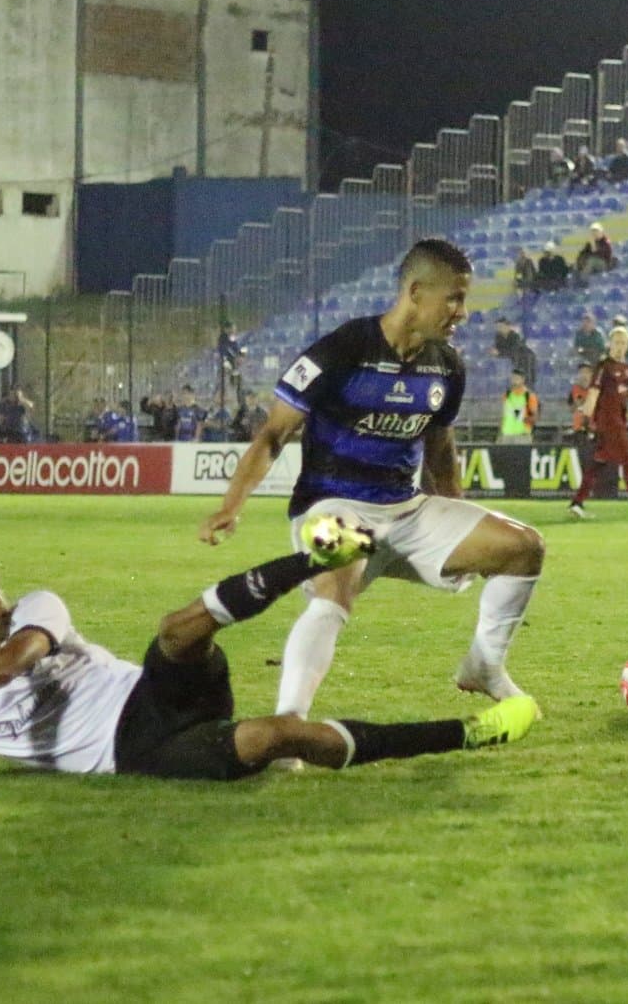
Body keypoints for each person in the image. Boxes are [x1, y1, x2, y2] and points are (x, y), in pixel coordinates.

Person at [0, 524, 538, 779]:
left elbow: (22, 656)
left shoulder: (37, 610)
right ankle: (470, 734)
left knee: (179, 627)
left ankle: (314, 560)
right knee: (284, 733)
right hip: (137, 748)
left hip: (155, 692)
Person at [197, 238, 546, 729]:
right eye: (454, 298)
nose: (462, 313)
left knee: (524, 547)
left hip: (406, 510)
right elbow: (274, 433)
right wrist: (231, 504)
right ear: (416, 292)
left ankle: (484, 666)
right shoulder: (342, 350)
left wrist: (459, 521)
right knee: (336, 583)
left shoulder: (446, 366)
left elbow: (440, 451)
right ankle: (288, 726)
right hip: (330, 508)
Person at [568, 327, 628, 520]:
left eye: (623, 343)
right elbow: (594, 391)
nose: (620, 346)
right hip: (609, 423)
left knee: (598, 463)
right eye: (616, 342)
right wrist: (586, 413)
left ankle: (577, 503)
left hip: (617, 421)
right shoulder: (604, 367)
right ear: (610, 344)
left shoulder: (625, 368)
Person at [498, 369, 538, 445]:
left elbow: (534, 417)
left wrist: (527, 422)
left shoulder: (529, 396)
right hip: (506, 436)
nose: (514, 381)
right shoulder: (507, 395)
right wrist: (500, 435)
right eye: (512, 379)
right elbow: (504, 416)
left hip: (522, 436)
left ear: (523, 380)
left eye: (516, 379)